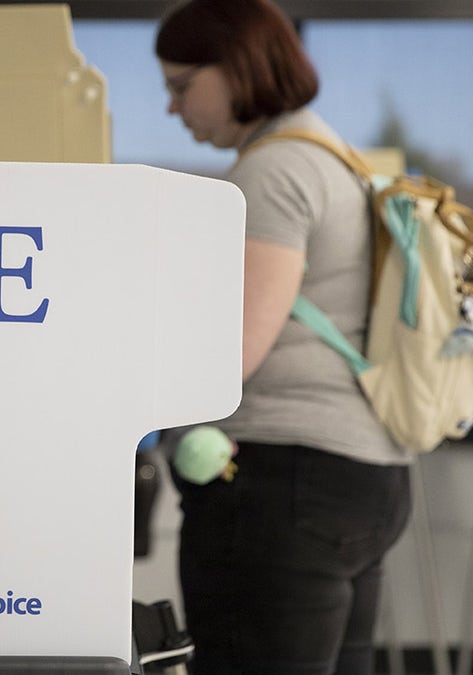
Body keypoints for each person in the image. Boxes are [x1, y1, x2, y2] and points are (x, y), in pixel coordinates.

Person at [154, 1, 413, 672]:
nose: (173, 108)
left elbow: (232, 353)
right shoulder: (337, 158)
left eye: (183, 86)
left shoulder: (273, 172)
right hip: (365, 478)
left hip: (283, 482)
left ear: (239, 68)